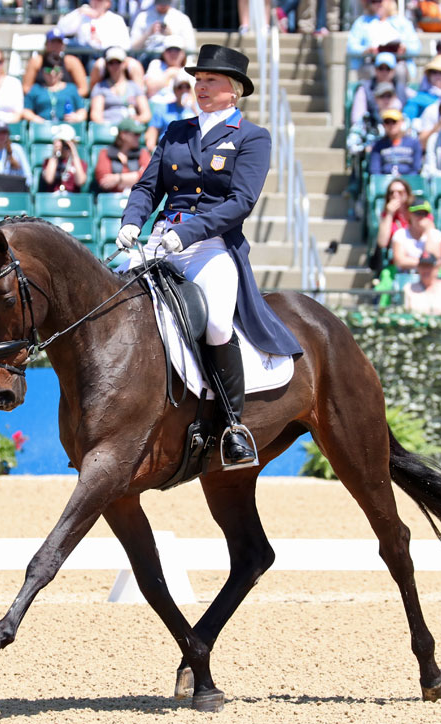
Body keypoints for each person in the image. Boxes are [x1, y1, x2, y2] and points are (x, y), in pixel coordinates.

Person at [117, 44, 302, 467]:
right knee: (111, 303)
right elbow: (148, 186)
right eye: (198, 80)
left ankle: (233, 426)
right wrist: (133, 219)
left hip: (210, 245)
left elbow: (240, 202)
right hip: (161, 239)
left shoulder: (252, 138)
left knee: (217, 323)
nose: (200, 87)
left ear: (233, 90)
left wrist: (187, 233)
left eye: (211, 81)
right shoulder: (177, 131)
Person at [346, 0, 421, 78]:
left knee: (400, 71)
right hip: (371, 64)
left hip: (397, 64)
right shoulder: (362, 22)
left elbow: (416, 47)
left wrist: (405, 49)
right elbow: (351, 47)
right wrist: (365, 51)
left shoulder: (402, 22)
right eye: (373, 1)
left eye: (380, 1)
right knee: (370, 72)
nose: (377, 4)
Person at [348, 52, 411, 142]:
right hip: (374, 135)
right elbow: (357, 120)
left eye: (388, 68)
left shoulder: (401, 88)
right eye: (381, 68)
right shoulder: (365, 89)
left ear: (393, 71)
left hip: (397, 138)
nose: (384, 72)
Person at [90, 46, 152, 126]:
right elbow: (96, 114)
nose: (115, 66)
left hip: (131, 129)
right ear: (106, 65)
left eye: (118, 62)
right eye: (111, 63)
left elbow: (146, 114)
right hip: (109, 127)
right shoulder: (100, 87)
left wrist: (135, 121)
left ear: (124, 64)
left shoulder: (134, 86)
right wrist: (107, 125)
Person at [22, 53, 88, 124]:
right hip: (43, 127)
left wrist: (77, 117)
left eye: (56, 70)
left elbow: (82, 111)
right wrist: (35, 118)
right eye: (48, 70)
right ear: (43, 72)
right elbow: (26, 110)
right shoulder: (36, 89)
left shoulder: (71, 88)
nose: (52, 73)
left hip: (66, 127)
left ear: (61, 72)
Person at [23, 29, 90, 98]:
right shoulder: (37, 61)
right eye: (53, 42)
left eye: (59, 42)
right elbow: (26, 88)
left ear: (63, 45)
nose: (56, 45)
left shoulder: (71, 62)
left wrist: (62, 98)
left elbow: (83, 89)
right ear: (46, 44)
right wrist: (43, 97)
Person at [94, 117, 151, 193]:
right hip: (113, 199)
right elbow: (104, 180)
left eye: (140, 134)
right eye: (136, 134)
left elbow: (148, 176)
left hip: (137, 197)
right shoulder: (105, 153)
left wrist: (118, 179)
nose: (139, 137)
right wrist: (135, 178)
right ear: (123, 134)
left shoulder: (143, 153)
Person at [145, 70, 197, 150]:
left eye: (187, 87)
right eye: (180, 87)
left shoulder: (197, 109)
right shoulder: (163, 109)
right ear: (174, 90)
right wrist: (152, 150)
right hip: (167, 148)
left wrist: (193, 107)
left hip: (189, 150)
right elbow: (152, 133)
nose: (184, 90)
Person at [144, 36, 191, 123]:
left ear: (183, 53)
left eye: (176, 51)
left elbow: (191, 97)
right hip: (156, 108)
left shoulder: (189, 68)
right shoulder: (156, 65)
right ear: (164, 53)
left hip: (181, 110)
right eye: (170, 51)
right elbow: (149, 89)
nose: (173, 54)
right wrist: (169, 74)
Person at [57, 0, 131, 52]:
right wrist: (79, 11)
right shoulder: (83, 16)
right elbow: (61, 29)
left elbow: (125, 45)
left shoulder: (116, 19)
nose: (95, 2)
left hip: (105, 57)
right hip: (83, 55)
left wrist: (102, 42)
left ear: (108, 3)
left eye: (99, 0)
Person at [391, 200, 441, 272]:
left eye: (425, 214)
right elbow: (400, 261)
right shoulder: (400, 234)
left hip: (429, 275)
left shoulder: (436, 234)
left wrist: (428, 231)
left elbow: (434, 259)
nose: (421, 217)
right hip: (406, 275)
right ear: (409, 215)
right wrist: (425, 263)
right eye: (418, 213)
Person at [367, 109, 422, 176]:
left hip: (409, 183)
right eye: (387, 122)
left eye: (394, 121)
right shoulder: (378, 145)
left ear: (401, 123)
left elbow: (416, 168)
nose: (391, 125)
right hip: (385, 182)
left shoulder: (413, 143)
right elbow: (375, 170)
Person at [129, 0, 196, 55]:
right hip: (148, 58)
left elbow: (191, 49)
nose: (163, 5)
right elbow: (133, 48)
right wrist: (148, 34)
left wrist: (172, 35)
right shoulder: (142, 17)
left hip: (173, 58)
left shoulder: (182, 19)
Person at [403, 55, 441, 123]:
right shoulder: (417, 99)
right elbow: (406, 121)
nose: (438, 76)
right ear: (429, 75)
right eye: (434, 72)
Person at [39, 123, 88, 193]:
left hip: (72, 198)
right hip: (54, 196)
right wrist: (55, 154)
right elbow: (49, 179)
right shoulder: (49, 161)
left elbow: (80, 181)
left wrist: (74, 152)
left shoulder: (79, 163)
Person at [375, 178, 414, 253]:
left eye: (400, 192)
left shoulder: (416, 212)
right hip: (396, 254)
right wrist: (390, 214)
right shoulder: (386, 216)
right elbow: (382, 243)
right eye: (391, 192)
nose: (395, 195)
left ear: (407, 194)